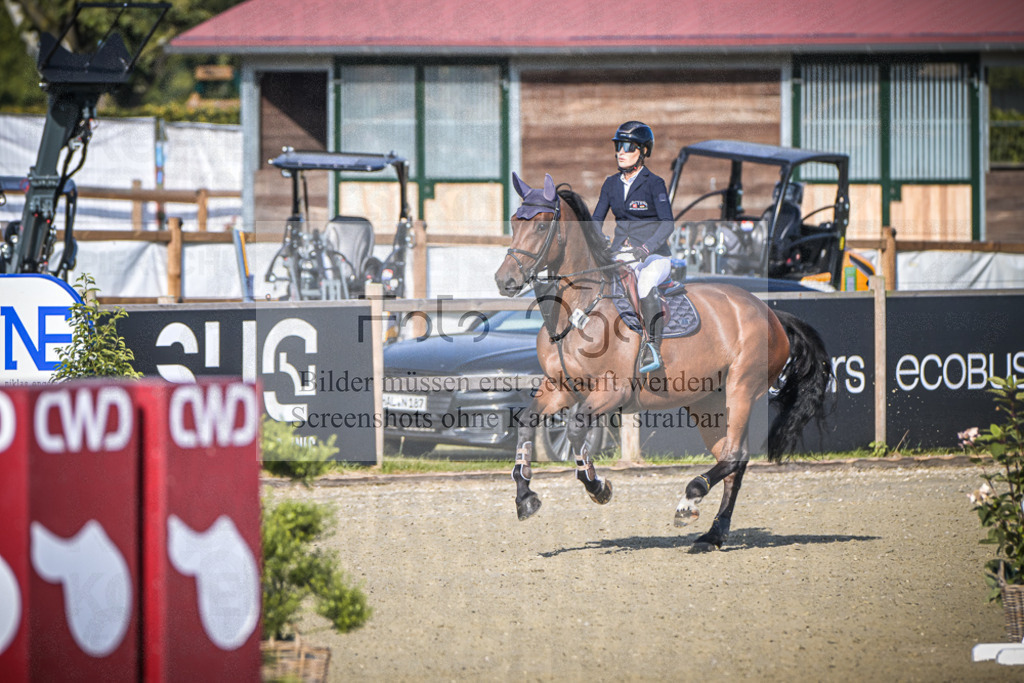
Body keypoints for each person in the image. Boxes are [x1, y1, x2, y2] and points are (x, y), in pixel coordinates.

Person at [591, 121, 674, 374]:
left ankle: (652, 347)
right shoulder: (610, 184)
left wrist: (647, 249)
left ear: (643, 152)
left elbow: (667, 223)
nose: (620, 152)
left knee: (646, 283)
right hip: (621, 253)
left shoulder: (654, 183)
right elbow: (596, 220)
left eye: (628, 147)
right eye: (618, 146)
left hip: (654, 256)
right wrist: (598, 241)